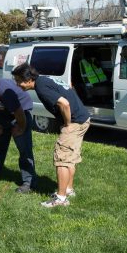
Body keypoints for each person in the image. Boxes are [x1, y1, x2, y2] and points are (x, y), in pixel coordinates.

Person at [12, 63, 90, 208]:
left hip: (74, 122)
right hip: (83, 118)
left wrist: (67, 124)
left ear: (29, 79)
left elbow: (64, 104)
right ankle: (68, 189)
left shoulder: (41, 87)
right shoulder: (45, 79)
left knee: (62, 158)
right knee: (70, 157)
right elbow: (69, 89)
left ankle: (60, 198)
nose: (18, 85)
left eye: (19, 81)